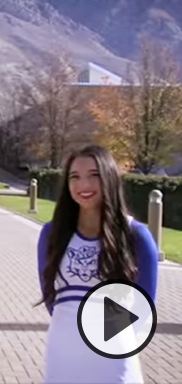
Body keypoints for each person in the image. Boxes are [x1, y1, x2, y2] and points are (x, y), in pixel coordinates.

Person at [37, 144, 159, 384]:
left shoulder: (136, 235)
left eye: (94, 176)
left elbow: (144, 306)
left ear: (109, 178)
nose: (83, 185)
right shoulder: (52, 234)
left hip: (113, 357)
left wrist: (104, 337)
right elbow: (51, 298)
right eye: (75, 177)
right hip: (63, 352)